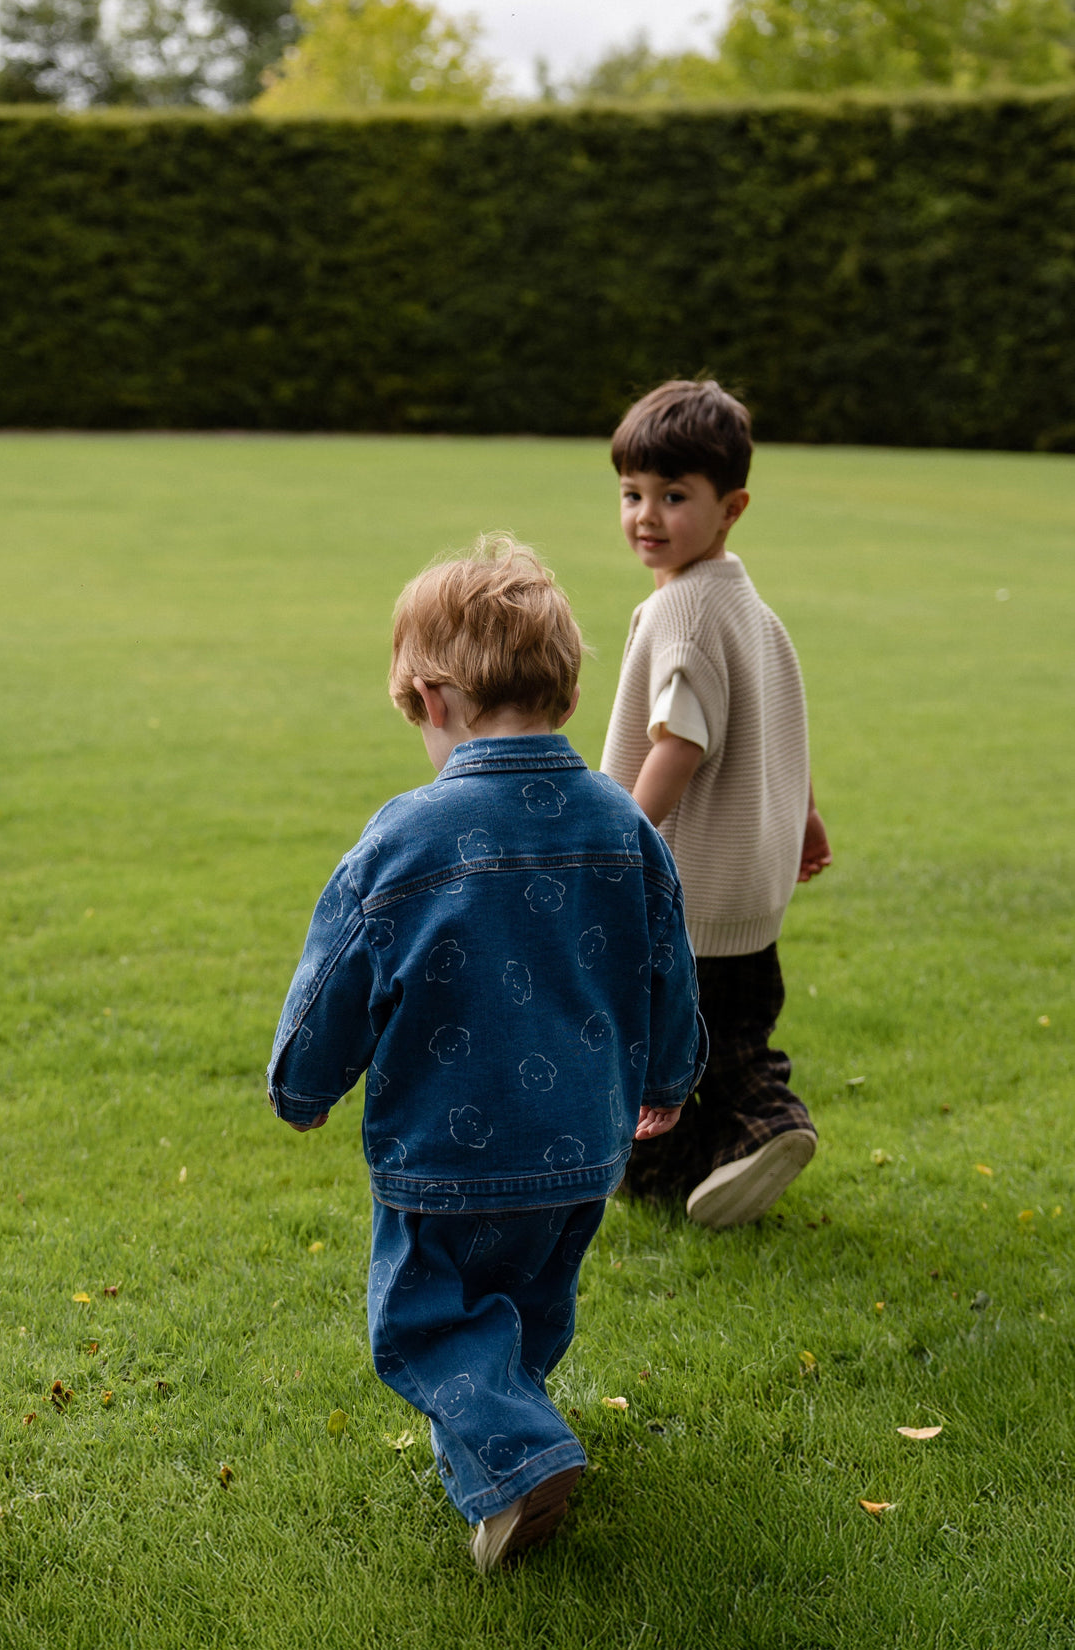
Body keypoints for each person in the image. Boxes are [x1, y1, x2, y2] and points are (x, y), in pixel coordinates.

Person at [268, 536, 705, 1572]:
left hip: (446, 1153)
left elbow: (339, 974)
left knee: (422, 1320)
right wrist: (670, 1079)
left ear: (429, 698)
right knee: (524, 1308)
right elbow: (667, 964)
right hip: (582, 1146)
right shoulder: (620, 821)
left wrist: (303, 1081)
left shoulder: (403, 836)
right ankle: (507, 1480)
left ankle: (519, 1453)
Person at [599, 378, 832, 1228]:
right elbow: (781, 725)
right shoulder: (749, 607)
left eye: (674, 496)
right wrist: (805, 814)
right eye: (632, 493)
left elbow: (681, 744)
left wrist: (623, 833)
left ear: (730, 507)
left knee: (652, 1059)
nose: (646, 516)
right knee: (735, 1040)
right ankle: (758, 1129)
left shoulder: (688, 612)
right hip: (751, 892)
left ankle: (724, 1149)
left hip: (687, 894)